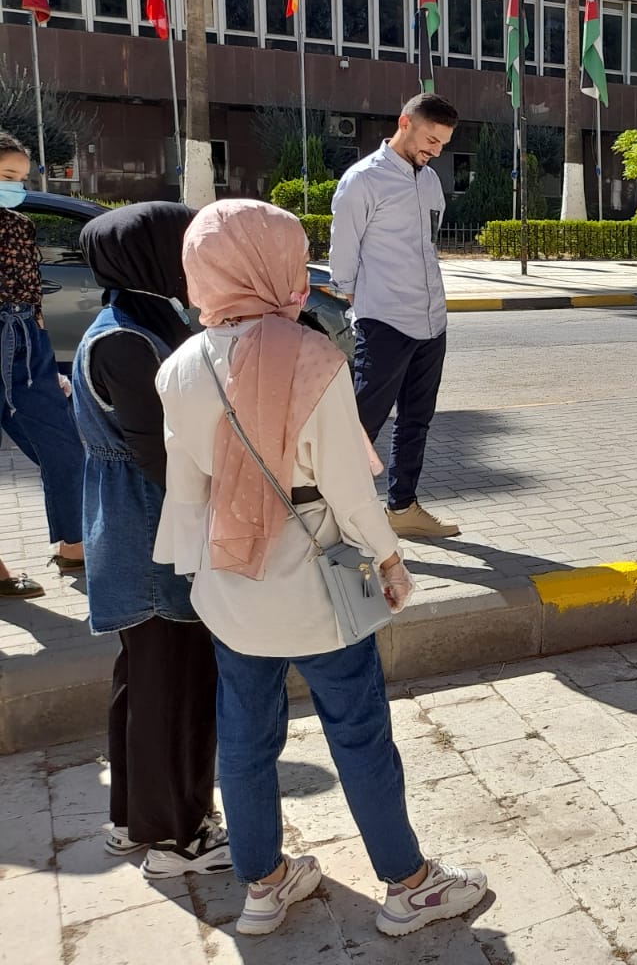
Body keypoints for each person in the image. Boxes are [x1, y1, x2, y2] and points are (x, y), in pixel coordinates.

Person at [154, 200, 488, 938]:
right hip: (315, 584)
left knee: (242, 739)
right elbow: (347, 487)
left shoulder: (178, 365)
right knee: (359, 732)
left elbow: (184, 491)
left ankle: (264, 885)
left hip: (229, 584)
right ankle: (409, 884)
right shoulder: (310, 354)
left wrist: (196, 579)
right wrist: (392, 560)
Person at [74, 202, 230, 878]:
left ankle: (130, 819)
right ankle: (175, 841)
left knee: (144, 680)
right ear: (152, 255)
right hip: (153, 531)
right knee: (173, 684)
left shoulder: (139, 321)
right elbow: (162, 457)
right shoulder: (125, 340)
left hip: (144, 524)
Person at [331, 93, 459, 540]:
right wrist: (360, 303)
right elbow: (343, 255)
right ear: (404, 122)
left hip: (431, 321)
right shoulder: (363, 180)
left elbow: (427, 246)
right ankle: (334, 515)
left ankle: (402, 507)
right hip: (383, 320)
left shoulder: (429, 181)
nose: (435, 151)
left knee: (417, 419)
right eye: (430, 139)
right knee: (362, 421)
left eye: (442, 144)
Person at [0, 130, 84, 601]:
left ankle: (73, 545)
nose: (17, 186)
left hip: (26, 344)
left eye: (21, 178)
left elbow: (32, 300)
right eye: (8, 176)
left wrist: (46, 362)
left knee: (65, 444)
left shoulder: (20, 227)